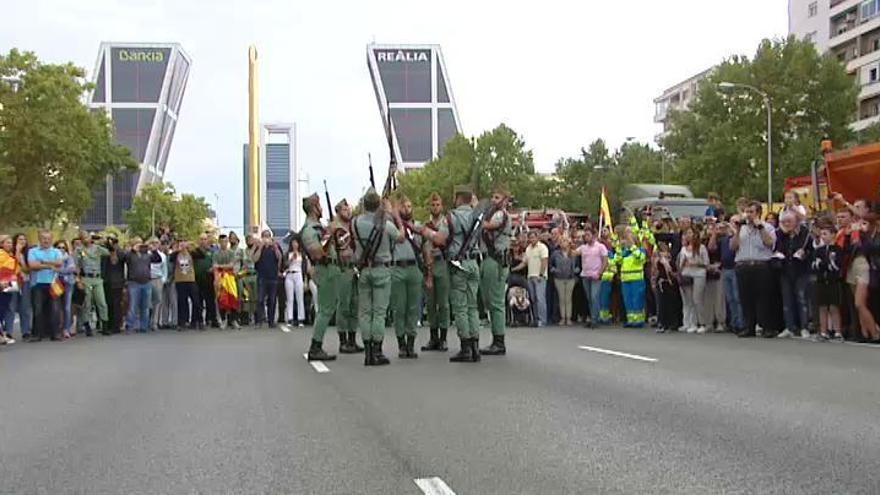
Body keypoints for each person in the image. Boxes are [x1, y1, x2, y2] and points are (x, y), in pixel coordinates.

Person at [352, 189, 403, 366]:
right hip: (382, 269)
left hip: (364, 269)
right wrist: (394, 216)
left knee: (365, 312)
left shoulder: (355, 223)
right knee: (379, 313)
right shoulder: (386, 224)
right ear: (378, 205)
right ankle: (377, 351)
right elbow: (401, 238)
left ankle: (367, 352)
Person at [299, 194, 338, 361]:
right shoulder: (309, 230)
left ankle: (317, 345)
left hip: (331, 269)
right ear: (314, 208)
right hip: (324, 270)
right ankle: (315, 346)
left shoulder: (318, 227)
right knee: (325, 310)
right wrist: (329, 234)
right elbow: (317, 253)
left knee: (327, 309)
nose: (321, 209)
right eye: (319, 206)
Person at [731, 201, 778, 338]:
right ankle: (748, 326)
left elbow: (770, 243)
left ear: (758, 213)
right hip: (743, 265)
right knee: (746, 298)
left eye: (751, 212)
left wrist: (761, 228)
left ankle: (766, 327)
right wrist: (738, 230)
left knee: (763, 298)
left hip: (761, 265)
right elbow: (733, 247)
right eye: (747, 212)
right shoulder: (742, 228)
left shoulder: (768, 227)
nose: (748, 215)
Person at [447, 185, 482, 362]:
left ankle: (466, 347)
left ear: (459, 198)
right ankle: (476, 345)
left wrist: (426, 232)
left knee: (460, 307)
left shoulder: (452, 216)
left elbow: (443, 237)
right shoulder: (478, 216)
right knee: (472, 306)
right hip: (474, 263)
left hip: (459, 264)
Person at [390, 195, 426, 359]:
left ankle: (411, 343)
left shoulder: (417, 226)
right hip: (398, 267)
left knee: (413, 308)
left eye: (409, 206)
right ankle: (401, 344)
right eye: (403, 207)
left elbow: (424, 248)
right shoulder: (392, 227)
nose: (407, 209)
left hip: (414, 268)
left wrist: (427, 271)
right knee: (399, 308)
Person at [478, 185, 512, 354]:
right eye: (493, 197)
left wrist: (477, 216)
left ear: (505, 200)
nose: (494, 200)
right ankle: (496, 338)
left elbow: (488, 226)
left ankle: (499, 341)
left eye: (497, 197)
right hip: (488, 259)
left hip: (496, 260)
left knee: (496, 301)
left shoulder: (501, 214)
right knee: (489, 300)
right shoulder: (492, 213)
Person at [331, 199, 363, 353]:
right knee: (344, 305)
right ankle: (343, 340)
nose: (348, 212)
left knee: (354, 305)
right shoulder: (335, 229)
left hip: (355, 268)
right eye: (344, 210)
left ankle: (352, 339)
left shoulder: (352, 227)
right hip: (342, 269)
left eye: (348, 209)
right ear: (338, 211)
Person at [422, 193, 452, 351]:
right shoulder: (425, 225)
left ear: (442, 206)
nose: (435, 207)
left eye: (438, 204)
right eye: (432, 205)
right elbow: (425, 246)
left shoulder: (447, 223)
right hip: (430, 265)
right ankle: (433, 337)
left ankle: (444, 338)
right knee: (431, 303)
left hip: (443, 263)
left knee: (444, 304)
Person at [774, 211, 812, 338]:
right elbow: (776, 247)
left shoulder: (804, 234)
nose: (786, 224)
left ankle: (804, 327)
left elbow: (811, 250)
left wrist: (804, 254)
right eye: (784, 222)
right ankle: (789, 327)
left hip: (801, 271)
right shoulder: (781, 235)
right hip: (785, 271)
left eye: (789, 221)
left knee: (801, 299)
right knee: (787, 300)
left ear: (796, 222)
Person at [810, 222, 845, 341]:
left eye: (825, 234)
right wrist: (823, 264)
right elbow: (815, 265)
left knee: (834, 307)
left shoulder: (838, 249)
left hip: (833, 281)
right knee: (822, 307)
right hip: (821, 281)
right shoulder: (818, 250)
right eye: (821, 234)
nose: (822, 237)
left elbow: (836, 266)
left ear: (833, 235)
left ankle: (837, 331)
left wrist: (826, 264)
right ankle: (823, 331)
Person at [27, 230, 63, 342]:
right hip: (37, 284)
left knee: (55, 309)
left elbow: (59, 263)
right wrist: (50, 265)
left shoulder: (56, 251)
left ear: (51, 239)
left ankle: (55, 333)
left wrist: (42, 262)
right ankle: (37, 334)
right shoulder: (33, 251)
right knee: (38, 310)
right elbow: (32, 265)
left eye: (48, 238)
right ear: (39, 239)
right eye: (43, 238)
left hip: (53, 284)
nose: (46, 240)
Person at [709, 218, 743, 333]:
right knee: (730, 298)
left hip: (735, 268)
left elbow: (736, 245)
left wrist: (732, 228)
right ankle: (734, 322)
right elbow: (712, 247)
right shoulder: (723, 240)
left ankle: (741, 323)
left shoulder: (738, 237)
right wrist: (714, 232)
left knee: (737, 297)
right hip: (725, 269)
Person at [512, 230, 549, 327]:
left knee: (540, 298)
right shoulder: (528, 249)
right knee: (533, 299)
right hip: (530, 276)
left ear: (537, 238)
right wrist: (513, 269)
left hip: (539, 277)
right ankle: (536, 319)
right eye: (530, 237)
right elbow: (524, 263)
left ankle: (542, 320)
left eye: (533, 237)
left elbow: (544, 261)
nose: (531, 239)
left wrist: (541, 275)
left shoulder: (542, 247)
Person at [124, 237, 160, 334]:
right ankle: (130, 325)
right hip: (134, 283)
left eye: (141, 243)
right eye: (137, 243)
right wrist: (133, 250)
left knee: (146, 306)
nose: (140, 245)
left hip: (146, 282)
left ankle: (144, 326)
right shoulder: (130, 255)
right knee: (133, 305)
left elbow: (157, 259)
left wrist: (154, 250)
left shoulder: (147, 254)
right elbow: (125, 258)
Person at [678, 226, 709, 333]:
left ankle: (702, 323)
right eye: (687, 233)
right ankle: (691, 323)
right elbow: (681, 263)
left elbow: (706, 263)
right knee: (689, 300)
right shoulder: (683, 249)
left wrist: (695, 263)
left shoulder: (701, 248)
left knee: (697, 299)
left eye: (691, 233)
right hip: (686, 274)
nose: (689, 235)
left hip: (698, 274)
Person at [575, 229, 607, 328]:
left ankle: (595, 319)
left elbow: (605, 261)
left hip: (596, 275)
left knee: (594, 297)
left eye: (588, 235)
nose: (586, 237)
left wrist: (600, 272)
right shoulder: (583, 247)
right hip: (585, 275)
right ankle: (592, 317)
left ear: (593, 236)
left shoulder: (600, 247)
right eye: (585, 235)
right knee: (589, 298)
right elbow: (573, 253)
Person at [251, 229, 283, 329]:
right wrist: (260, 247)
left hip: (273, 277)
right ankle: (259, 321)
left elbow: (280, 259)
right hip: (262, 277)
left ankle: (271, 321)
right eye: (264, 236)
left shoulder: (275, 247)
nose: (266, 238)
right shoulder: (259, 247)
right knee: (260, 300)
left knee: (272, 300)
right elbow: (254, 259)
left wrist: (275, 248)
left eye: (268, 236)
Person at [619, 229, 648, 327]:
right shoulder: (624, 252)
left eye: (629, 241)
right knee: (628, 300)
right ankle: (631, 319)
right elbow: (616, 260)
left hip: (637, 279)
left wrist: (632, 247)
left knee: (637, 300)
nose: (627, 242)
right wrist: (621, 249)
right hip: (625, 279)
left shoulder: (640, 250)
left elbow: (640, 258)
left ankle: (639, 320)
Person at [6, 234, 31, 340]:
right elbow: (12, 266)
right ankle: (9, 331)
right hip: (12, 281)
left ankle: (25, 331)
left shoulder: (28, 254)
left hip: (25, 281)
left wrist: (21, 258)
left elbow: (27, 269)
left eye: (24, 239)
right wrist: (17, 252)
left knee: (25, 307)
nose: (22, 241)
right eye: (20, 239)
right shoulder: (8, 253)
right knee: (11, 306)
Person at [702, 221, 726, 332]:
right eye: (709, 228)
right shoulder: (702, 241)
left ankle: (721, 321)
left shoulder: (722, 240)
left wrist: (715, 235)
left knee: (719, 298)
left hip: (718, 270)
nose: (711, 230)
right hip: (706, 271)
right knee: (707, 298)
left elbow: (713, 248)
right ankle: (708, 322)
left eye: (713, 228)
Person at [213, 234, 241, 329]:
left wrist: (221, 266)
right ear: (219, 242)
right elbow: (214, 266)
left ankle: (233, 320)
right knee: (222, 299)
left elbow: (231, 265)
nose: (224, 243)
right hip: (220, 278)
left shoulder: (231, 252)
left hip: (230, 278)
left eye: (225, 241)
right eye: (222, 242)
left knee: (233, 298)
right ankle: (224, 320)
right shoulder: (216, 254)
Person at [171, 241, 200, 330]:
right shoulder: (176, 254)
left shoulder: (191, 253)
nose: (183, 246)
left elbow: (201, 255)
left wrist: (193, 246)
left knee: (196, 301)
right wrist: (177, 250)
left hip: (191, 280)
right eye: (181, 244)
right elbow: (170, 258)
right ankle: (182, 322)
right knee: (182, 302)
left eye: (184, 244)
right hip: (180, 280)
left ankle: (195, 321)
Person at [192, 234, 219, 329]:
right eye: (201, 239)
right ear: (198, 241)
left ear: (207, 240)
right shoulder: (195, 252)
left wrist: (213, 270)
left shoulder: (211, 252)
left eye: (205, 239)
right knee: (198, 301)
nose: (203, 241)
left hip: (209, 278)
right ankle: (197, 321)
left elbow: (215, 263)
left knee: (210, 301)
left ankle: (213, 320)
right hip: (197, 278)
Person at [651, 242, 679, 333]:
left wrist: (667, 263)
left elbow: (672, 270)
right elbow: (655, 270)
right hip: (661, 282)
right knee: (661, 304)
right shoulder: (657, 258)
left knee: (670, 304)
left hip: (669, 283)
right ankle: (662, 323)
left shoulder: (670, 258)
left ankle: (671, 324)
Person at [550, 236, 578, 326]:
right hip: (559, 278)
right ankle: (562, 318)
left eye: (565, 241)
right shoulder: (555, 254)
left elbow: (578, 265)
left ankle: (568, 318)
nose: (563, 243)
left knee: (568, 299)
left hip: (570, 278)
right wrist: (554, 270)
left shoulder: (573, 253)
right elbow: (550, 265)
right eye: (562, 241)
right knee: (561, 298)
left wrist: (575, 271)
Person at [55, 240, 78, 339]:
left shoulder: (69, 257)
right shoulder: (54, 257)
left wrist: (59, 270)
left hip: (68, 283)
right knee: (56, 307)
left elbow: (72, 269)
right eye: (59, 247)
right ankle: (57, 329)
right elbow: (52, 268)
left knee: (67, 307)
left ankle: (66, 329)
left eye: (63, 247)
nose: (61, 249)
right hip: (56, 283)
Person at [0, 234, 19, 345]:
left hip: (9, 284)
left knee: (4, 309)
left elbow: (15, 270)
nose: (10, 244)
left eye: (11, 242)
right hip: (3, 283)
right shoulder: (1, 255)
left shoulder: (9, 255)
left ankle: (2, 334)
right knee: (1, 309)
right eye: (7, 242)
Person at [283, 237, 306, 327]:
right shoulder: (287, 254)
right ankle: (290, 318)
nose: (294, 244)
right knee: (290, 298)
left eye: (296, 243)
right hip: (289, 275)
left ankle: (301, 319)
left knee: (299, 297)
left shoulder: (302, 254)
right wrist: (291, 258)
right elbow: (285, 265)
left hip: (298, 274)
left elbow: (304, 266)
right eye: (293, 243)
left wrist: (305, 279)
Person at [147, 237, 168, 332]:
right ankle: (146, 322)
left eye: (156, 242)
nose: (155, 244)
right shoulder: (146, 254)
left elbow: (165, 269)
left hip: (158, 279)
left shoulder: (162, 256)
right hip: (147, 279)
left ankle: (154, 323)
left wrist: (163, 280)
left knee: (157, 301)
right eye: (153, 242)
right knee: (148, 302)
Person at [157, 240, 177, 330]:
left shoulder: (171, 256)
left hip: (172, 280)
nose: (164, 247)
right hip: (162, 281)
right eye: (162, 245)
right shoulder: (160, 256)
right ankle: (164, 321)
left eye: (166, 245)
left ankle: (174, 321)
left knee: (173, 301)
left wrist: (170, 279)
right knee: (164, 302)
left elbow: (174, 268)